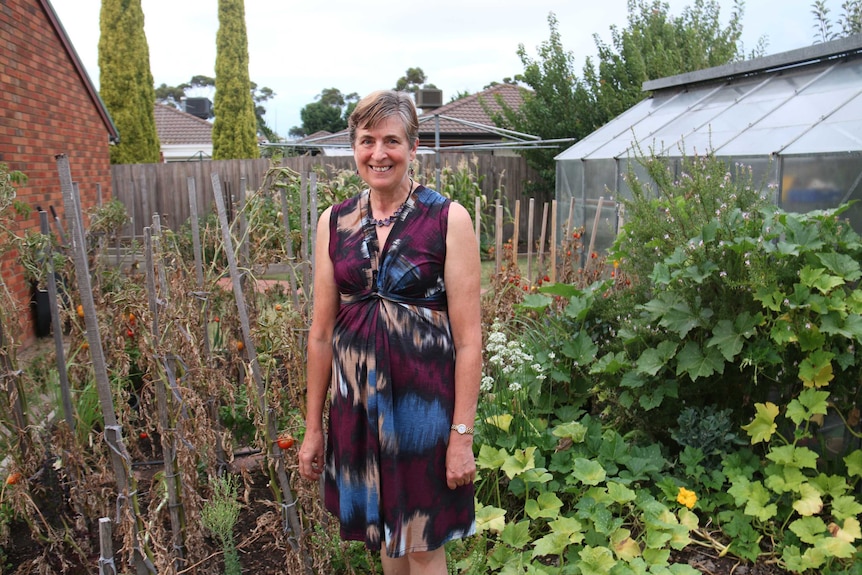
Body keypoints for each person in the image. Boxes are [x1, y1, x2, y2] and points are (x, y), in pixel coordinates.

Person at [298, 89, 482, 574]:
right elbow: (320, 334)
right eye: (367, 141)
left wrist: (461, 436)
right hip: (357, 408)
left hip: (424, 414)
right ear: (354, 147)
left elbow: (468, 341)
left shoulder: (447, 219)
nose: (378, 153)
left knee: (423, 544)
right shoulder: (334, 222)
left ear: (414, 147)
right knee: (384, 536)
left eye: (392, 141)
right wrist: (313, 428)